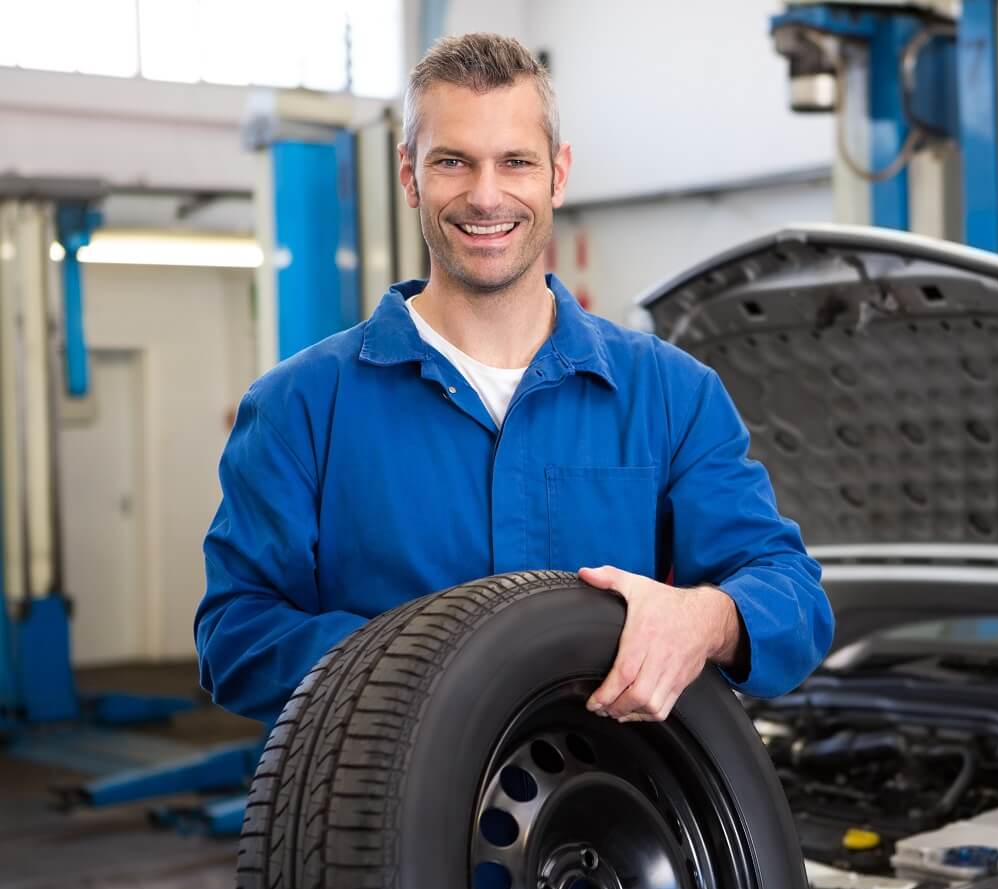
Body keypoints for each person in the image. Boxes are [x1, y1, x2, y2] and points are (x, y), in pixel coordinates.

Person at [194, 33, 833, 727]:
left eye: (516, 162)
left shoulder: (673, 396)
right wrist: (428, 662)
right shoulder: (299, 407)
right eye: (453, 163)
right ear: (409, 174)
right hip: (368, 819)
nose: (486, 195)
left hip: (607, 813)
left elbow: (793, 596)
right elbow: (236, 635)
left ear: (558, 175)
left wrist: (704, 618)